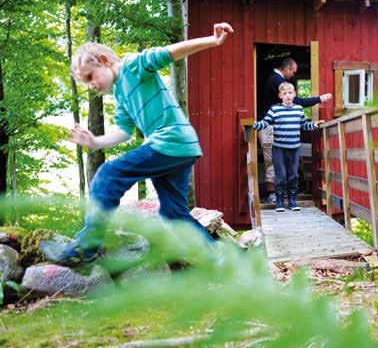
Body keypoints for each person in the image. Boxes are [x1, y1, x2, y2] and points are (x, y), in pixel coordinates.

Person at [40, 23, 234, 267]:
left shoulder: (134, 65)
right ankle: (221, 258)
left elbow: (169, 53)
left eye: (90, 77)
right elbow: (123, 132)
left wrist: (212, 40)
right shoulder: (120, 94)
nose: (91, 85)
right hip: (181, 148)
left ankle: (85, 247)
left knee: (109, 174)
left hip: (170, 141)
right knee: (173, 212)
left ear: (104, 59)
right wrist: (95, 142)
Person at [257, 58, 332, 204]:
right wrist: (319, 99)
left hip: (273, 127)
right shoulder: (277, 80)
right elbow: (297, 101)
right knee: (272, 161)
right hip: (270, 127)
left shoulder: (273, 78)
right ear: (287, 70)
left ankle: (281, 194)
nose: (293, 75)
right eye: (294, 72)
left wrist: (313, 124)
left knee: (280, 162)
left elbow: (303, 123)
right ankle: (273, 194)